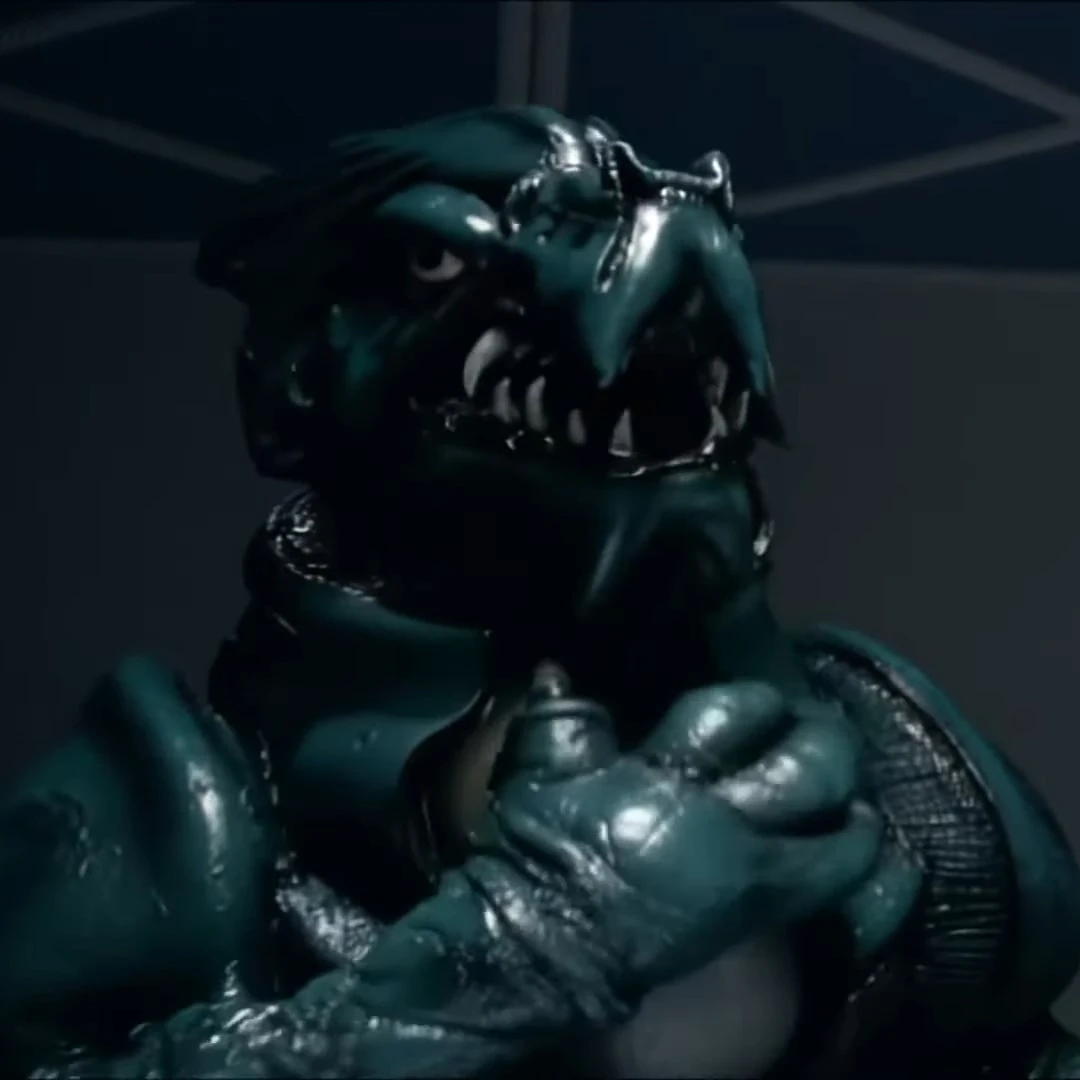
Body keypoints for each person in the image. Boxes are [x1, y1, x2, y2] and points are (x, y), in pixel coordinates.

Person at [3, 108, 1079, 1079]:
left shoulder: (867, 763)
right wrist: (522, 951)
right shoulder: (159, 815)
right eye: (435, 257)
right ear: (296, 370)